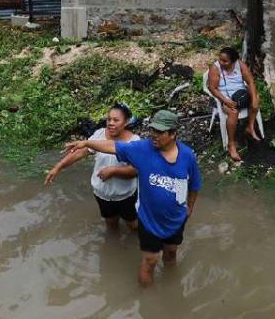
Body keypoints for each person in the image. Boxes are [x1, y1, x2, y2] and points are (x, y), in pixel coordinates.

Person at [63, 109, 201, 287]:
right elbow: (112, 146)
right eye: (153, 131)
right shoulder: (143, 149)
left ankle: (172, 286)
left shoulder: (188, 156)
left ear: (173, 133)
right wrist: (85, 143)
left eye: (160, 132)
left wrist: (189, 209)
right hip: (149, 221)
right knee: (150, 261)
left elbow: (195, 185)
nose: (154, 136)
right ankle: (147, 304)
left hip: (176, 219)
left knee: (171, 255)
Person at [45, 103, 140, 231]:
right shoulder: (100, 134)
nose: (110, 123)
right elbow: (81, 152)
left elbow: (135, 170)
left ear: (126, 122)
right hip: (102, 194)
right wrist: (58, 167)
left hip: (125, 195)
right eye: (109, 119)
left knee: (133, 225)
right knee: (111, 223)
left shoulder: (134, 141)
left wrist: (113, 171)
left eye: (116, 120)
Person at [207, 46, 261, 162]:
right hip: (225, 97)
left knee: (255, 100)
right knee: (233, 112)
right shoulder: (215, 68)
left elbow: (250, 82)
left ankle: (250, 127)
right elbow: (212, 88)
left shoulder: (240, 65)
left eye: (225, 61)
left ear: (233, 60)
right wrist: (225, 101)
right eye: (220, 59)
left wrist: (254, 99)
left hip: (240, 94)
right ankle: (231, 144)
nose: (221, 62)